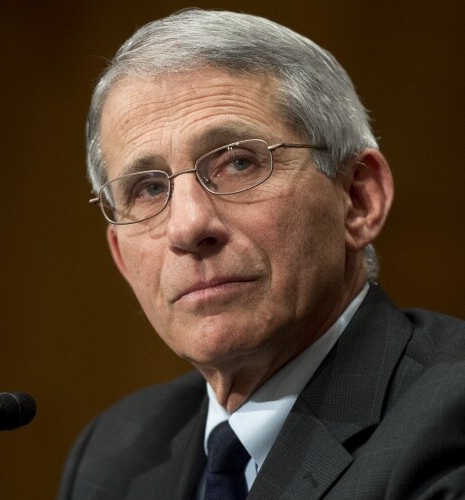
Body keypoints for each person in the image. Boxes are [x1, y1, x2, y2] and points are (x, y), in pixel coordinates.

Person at [59, 9, 465, 499]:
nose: (189, 227)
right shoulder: (114, 454)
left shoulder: (448, 420)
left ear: (358, 199)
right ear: (123, 259)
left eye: (238, 162)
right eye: (147, 188)